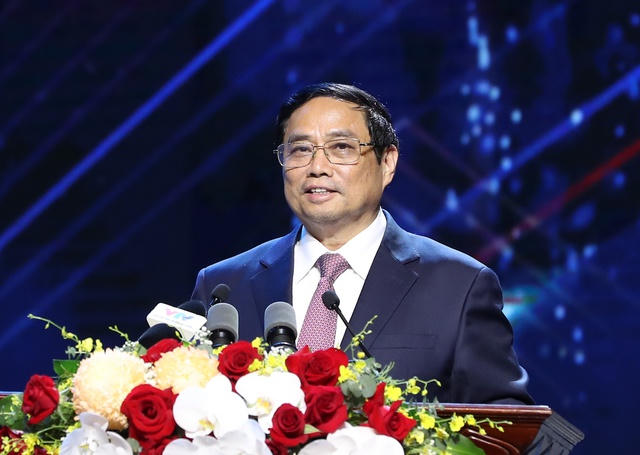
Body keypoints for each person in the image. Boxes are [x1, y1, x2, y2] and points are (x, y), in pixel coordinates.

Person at [191, 83, 533, 404]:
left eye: (341, 148)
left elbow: (507, 420)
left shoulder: (459, 286)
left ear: (388, 163)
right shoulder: (223, 284)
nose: (317, 167)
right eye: (300, 150)